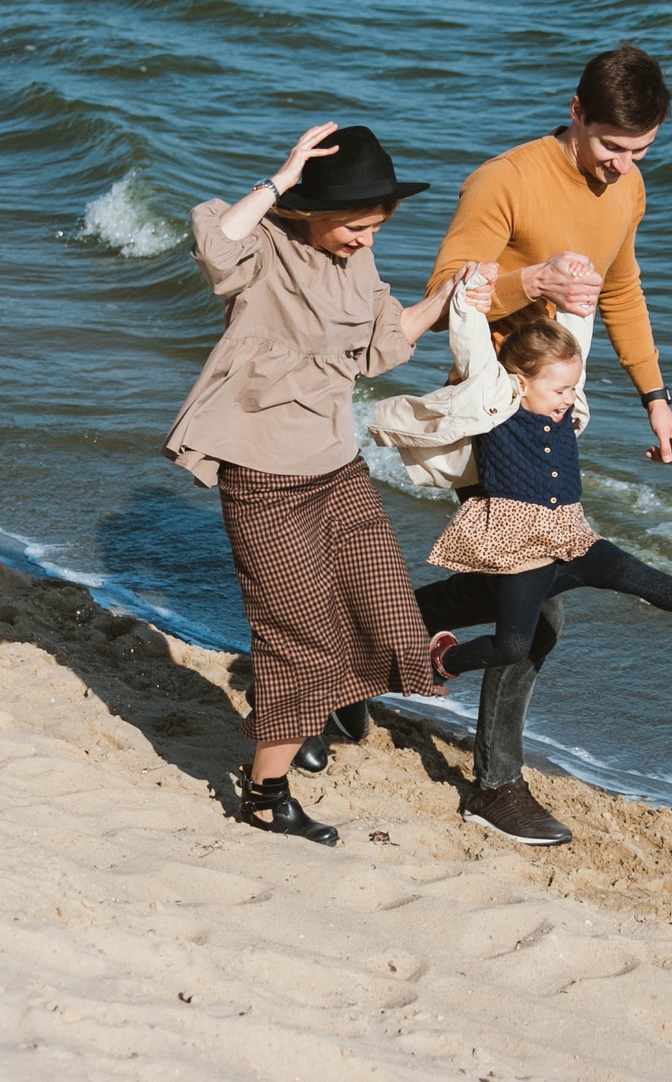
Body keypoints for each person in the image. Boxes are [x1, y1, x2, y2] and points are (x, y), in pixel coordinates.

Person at [163, 121, 492, 845]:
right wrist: (282, 177)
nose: (366, 240)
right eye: (355, 226)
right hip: (265, 475)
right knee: (302, 638)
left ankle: (305, 711)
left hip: (336, 467)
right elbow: (215, 244)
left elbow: (377, 347)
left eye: (377, 227)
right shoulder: (265, 247)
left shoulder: (357, 261)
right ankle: (265, 791)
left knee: (387, 609)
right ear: (313, 210)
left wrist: (446, 298)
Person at [415, 44, 672, 846]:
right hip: (494, 409)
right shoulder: (504, 181)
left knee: (507, 596)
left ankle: (376, 637)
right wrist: (530, 282)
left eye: (640, 151)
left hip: (555, 411)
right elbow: (441, 293)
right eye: (612, 146)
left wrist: (656, 398)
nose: (622, 167)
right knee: (539, 613)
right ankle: (495, 784)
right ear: (575, 112)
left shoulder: (628, 188)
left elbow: (622, 289)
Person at [368, 288, 672, 691]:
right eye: (560, 390)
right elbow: (472, 348)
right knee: (512, 645)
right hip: (520, 549)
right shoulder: (498, 403)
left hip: (569, 535)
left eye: (572, 388)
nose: (569, 398)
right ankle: (444, 660)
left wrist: (579, 298)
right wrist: (470, 299)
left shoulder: (564, 405)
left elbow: (576, 336)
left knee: (622, 570)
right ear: (521, 382)